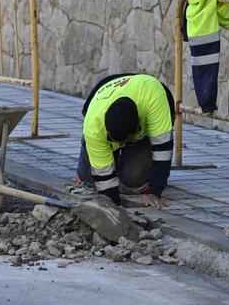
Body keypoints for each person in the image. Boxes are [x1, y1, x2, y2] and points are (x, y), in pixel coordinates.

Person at [75, 74, 175, 208]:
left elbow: (163, 152)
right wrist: (112, 204)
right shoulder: (93, 127)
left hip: (146, 92)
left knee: (132, 180)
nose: (121, 145)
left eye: (124, 141)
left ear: (138, 123)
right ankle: (107, 162)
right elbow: (104, 179)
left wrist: (155, 191)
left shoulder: (154, 98)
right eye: (116, 141)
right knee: (88, 179)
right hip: (104, 91)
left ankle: (132, 154)